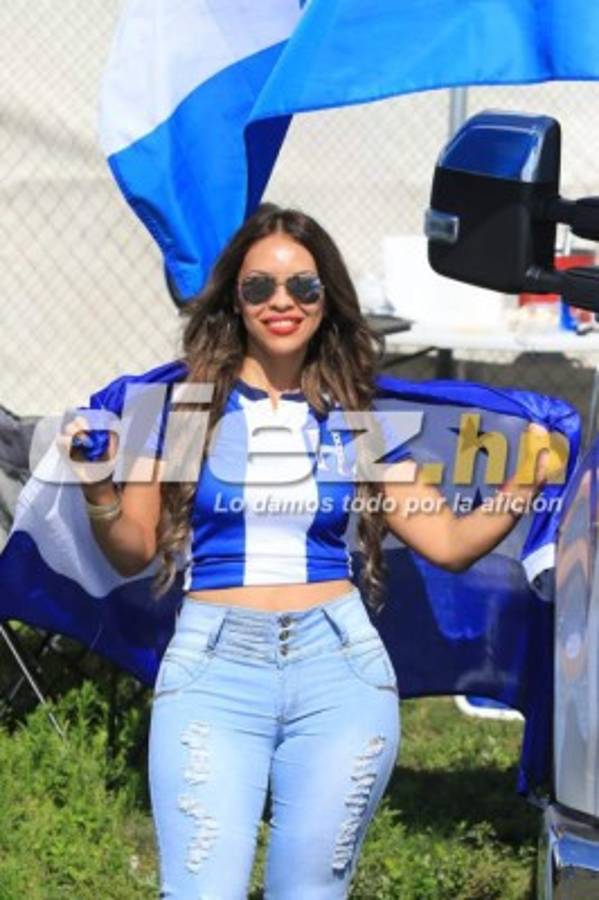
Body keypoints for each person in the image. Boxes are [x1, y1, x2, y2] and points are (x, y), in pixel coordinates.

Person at [60, 204, 553, 899]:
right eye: (259, 287)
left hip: (339, 672)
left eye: (303, 287)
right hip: (212, 675)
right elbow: (131, 550)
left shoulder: (359, 418)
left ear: (329, 301)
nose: (281, 303)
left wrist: (524, 479)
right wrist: (98, 487)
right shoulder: (175, 406)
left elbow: (445, 543)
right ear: (234, 298)